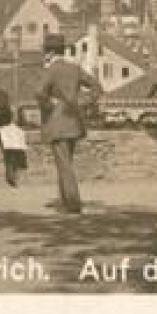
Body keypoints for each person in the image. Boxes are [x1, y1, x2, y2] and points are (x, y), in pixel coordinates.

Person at [37, 35, 102, 214]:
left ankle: (73, 205)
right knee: (66, 163)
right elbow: (97, 87)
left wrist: (50, 106)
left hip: (57, 123)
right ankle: (66, 201)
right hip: (74, 121)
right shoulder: (74, 68)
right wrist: (83, 102)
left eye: (44, 51)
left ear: (49, 53)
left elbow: (39, 92)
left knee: (64, 164)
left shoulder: (51, 70)